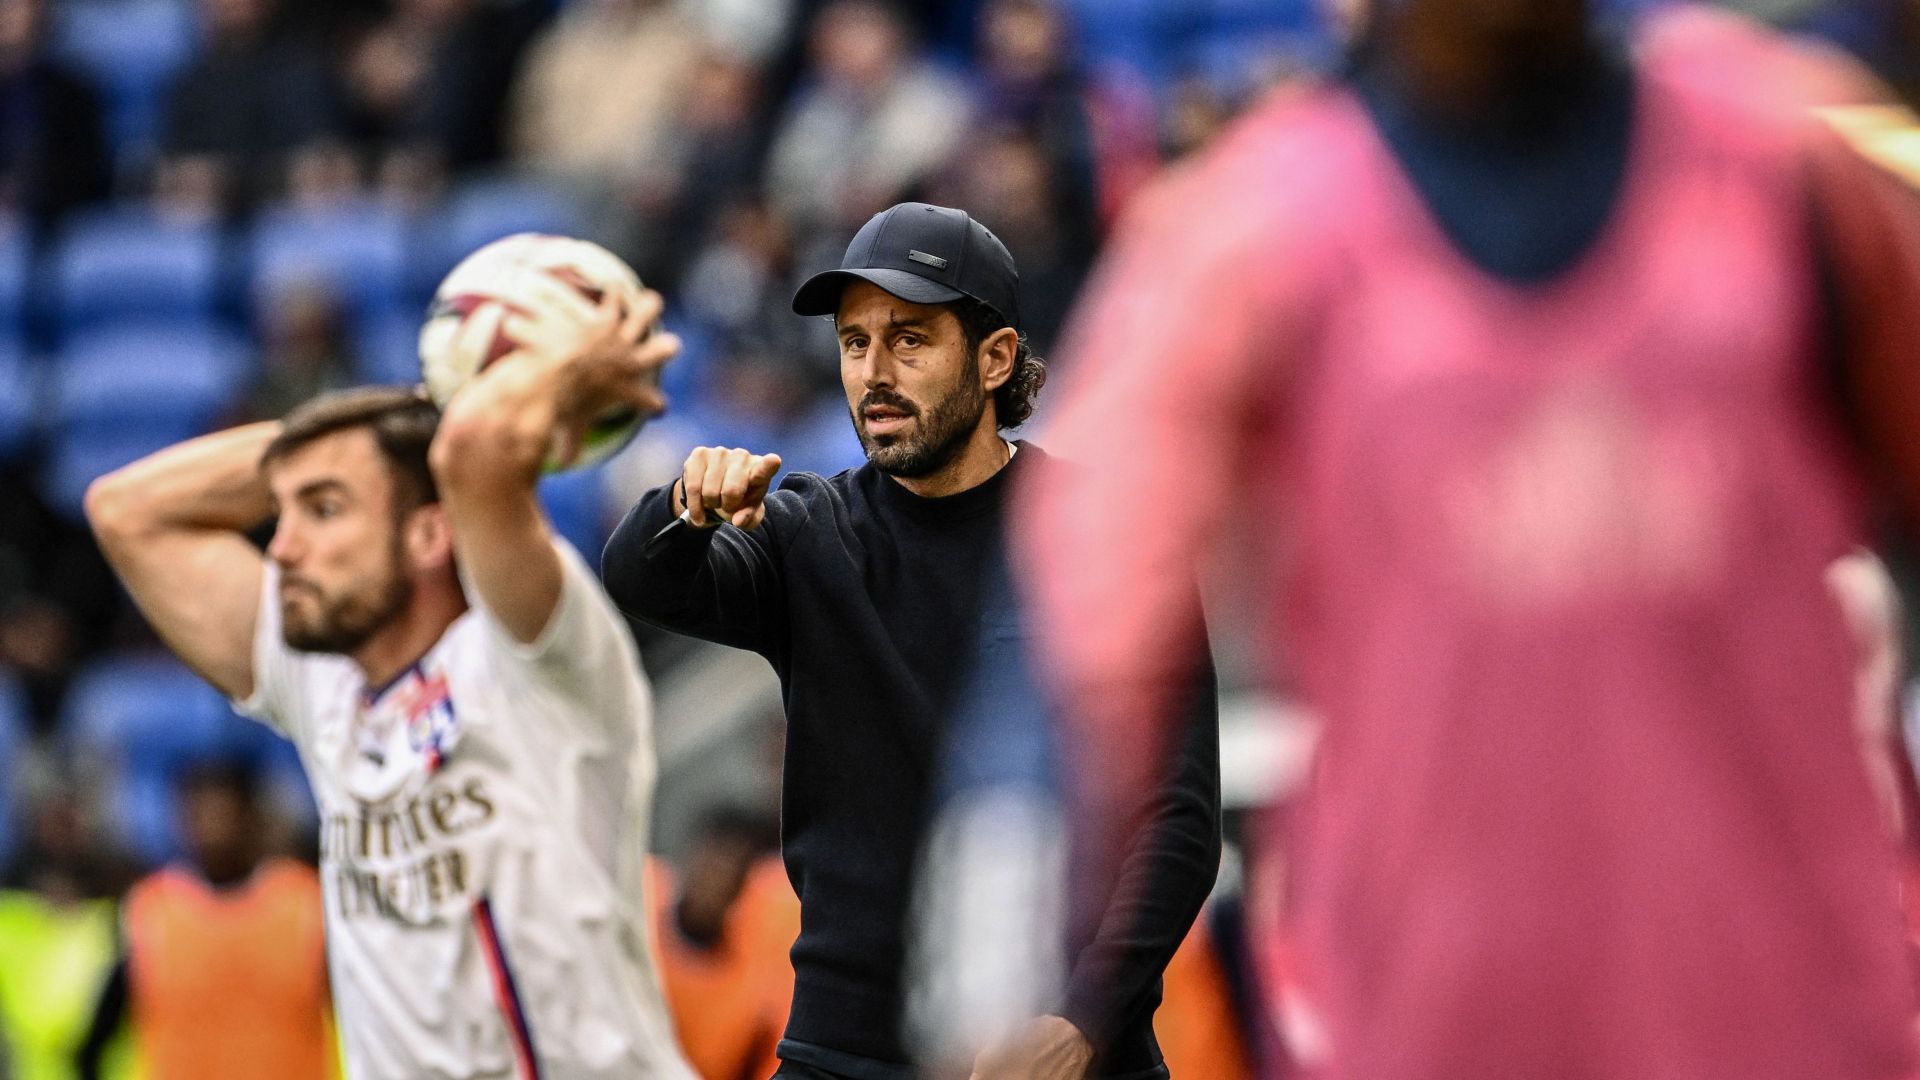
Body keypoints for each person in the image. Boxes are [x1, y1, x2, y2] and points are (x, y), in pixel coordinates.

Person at [1015, 1, 1920, 1078]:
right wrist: (1051, 982)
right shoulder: (1251, 241)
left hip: (1804, 1027)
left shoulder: (1780, 165)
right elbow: (1087, 616)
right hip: (1437, 1030)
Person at [601, 202, 1222, 1080]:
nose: (875, 372)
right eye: (855, 344)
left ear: (996, 358)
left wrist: (1082, 1020)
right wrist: (682, 507)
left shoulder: (1102, 534)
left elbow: (1177, 818)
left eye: (911, 339)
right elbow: (640, 578)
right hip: (841, 1051)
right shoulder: (806, 533)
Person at [84, 283, 697, 1079]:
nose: (281, 548)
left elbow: (472, 451)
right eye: (284, 510)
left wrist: (481, 392)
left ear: (430, 533)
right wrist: (385, 420)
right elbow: (126, 511)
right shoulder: (323, 684)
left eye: (325, 509)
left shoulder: (533, 654)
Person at [77, 759, 334, 1080]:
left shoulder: (305, 903)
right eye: (199, 813)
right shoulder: (149, 910)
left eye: (223, 812)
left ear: (252, 815)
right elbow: (95, 1041)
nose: (213, 828)